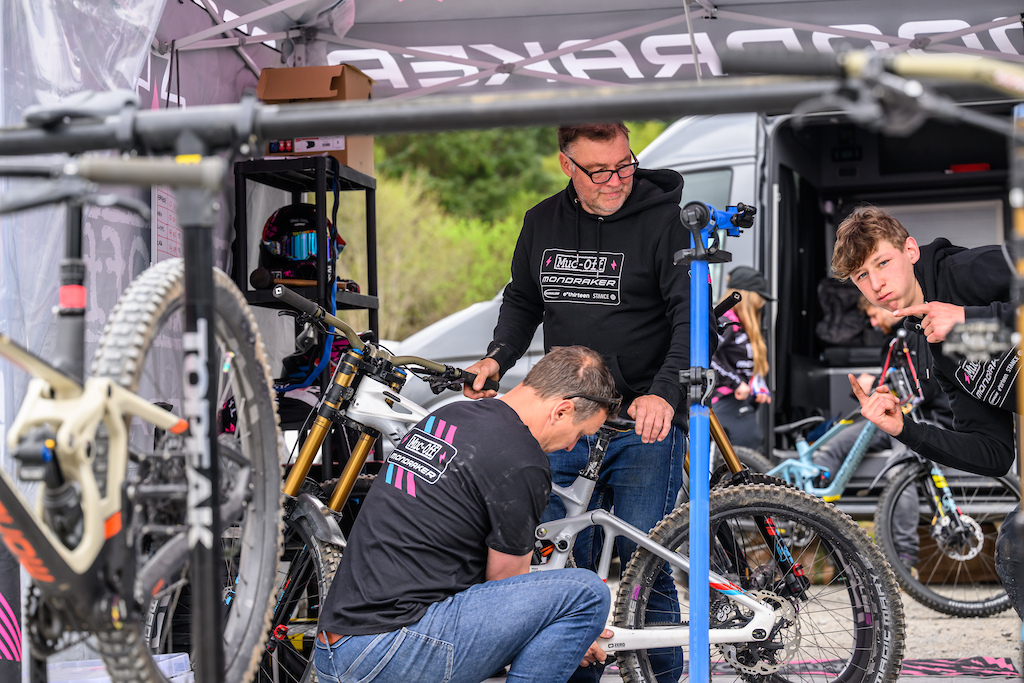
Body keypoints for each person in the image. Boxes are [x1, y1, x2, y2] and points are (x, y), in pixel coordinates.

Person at [464, 122, 709, 681]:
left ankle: (663, 677)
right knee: (560, 567)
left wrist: (663, 394)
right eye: (600, 171)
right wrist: (496, 357)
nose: (617, 180)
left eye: (625, 164)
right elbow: (523, 299)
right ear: (566, 166)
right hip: (565, 420)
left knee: (646, 567)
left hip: (642, 423)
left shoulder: (666, 219)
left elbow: (689, 317)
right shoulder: (542, 220)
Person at [313, 346, 618, 683]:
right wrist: (566, 631)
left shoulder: (448, 415)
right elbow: (507, 586)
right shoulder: (522, 460)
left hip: (335, 648)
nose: (572, 446)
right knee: (586, 593)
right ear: (562, 410)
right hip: (389, 652)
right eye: (580, 434)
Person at [830, 205, 1019, 610]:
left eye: (882, 262)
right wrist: (906, 430)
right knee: (1016, 546)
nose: (877, 283)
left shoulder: (966, 270)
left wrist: (974, 319)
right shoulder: (926, 342)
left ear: (911, 250)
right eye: (862, 275)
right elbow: (994, 453)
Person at [710, 266, 773, 450]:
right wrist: (736, 383)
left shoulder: (743, 324)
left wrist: (757, 385)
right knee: (745, 458)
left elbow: (745, 364)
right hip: (723, 401)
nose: (761, 304)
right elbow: (707, 357)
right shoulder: (725, 321)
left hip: (740, 403)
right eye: (759, 298)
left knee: (749, 453)